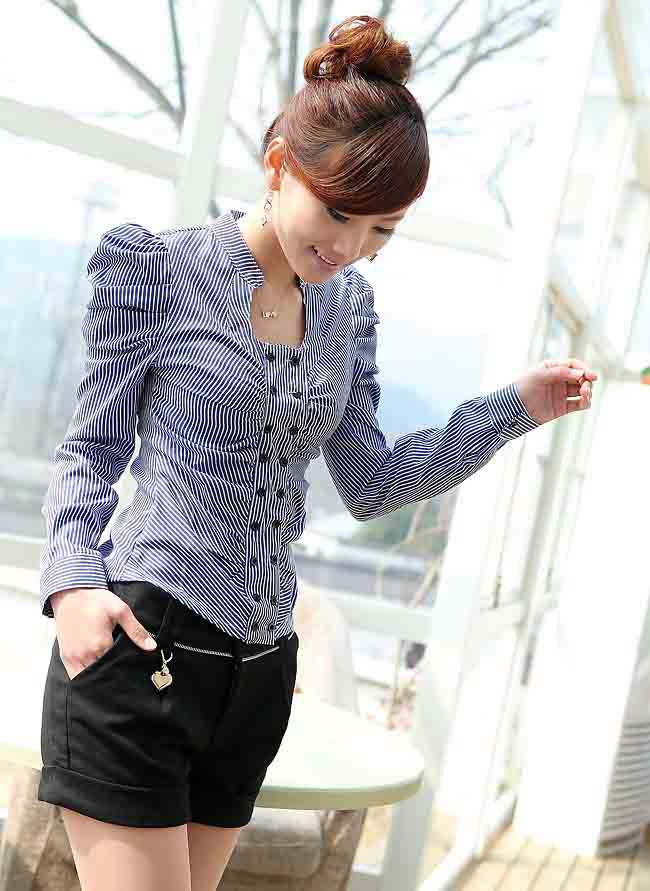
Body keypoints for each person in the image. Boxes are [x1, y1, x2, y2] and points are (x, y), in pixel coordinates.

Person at [36, 14, 597, 891]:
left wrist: (512, 410)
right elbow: (90, 450)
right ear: (278, 166)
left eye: (381, 231)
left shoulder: (347, 313)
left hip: (260, 677)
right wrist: (73, 584)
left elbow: (371, 481)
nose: (348, 249)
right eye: (336, 212)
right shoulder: (157, 271)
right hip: (144, 648)